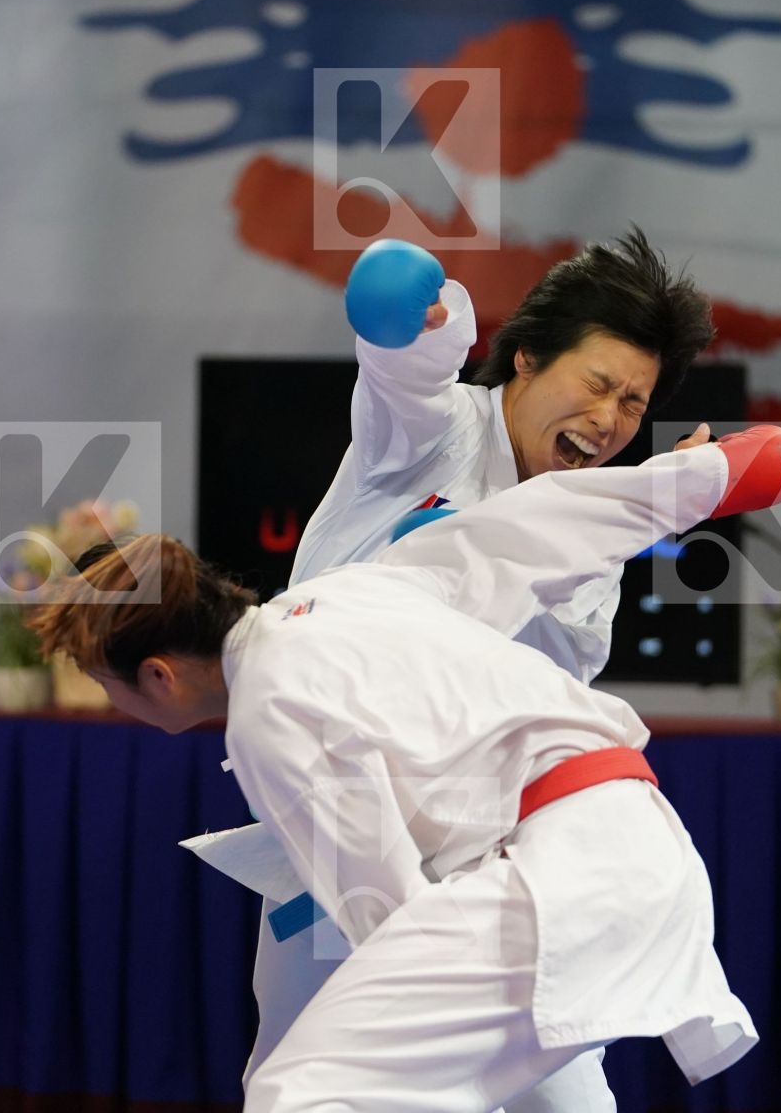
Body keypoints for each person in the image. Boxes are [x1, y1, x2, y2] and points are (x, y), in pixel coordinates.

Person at [30, 422, 781, 1111]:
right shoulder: (352, 591)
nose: (110, 704)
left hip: (555, 873)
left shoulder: (268, 708)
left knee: (306, 1092)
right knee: (523, 1090)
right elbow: (532, 530)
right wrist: (703, 480)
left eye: (104, 683)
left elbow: (391, 914)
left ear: (159, 675)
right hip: (627, 840)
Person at [253, 228, 714, 1110]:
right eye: (598, 384)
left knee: (570, 1103)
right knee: (306, 1087)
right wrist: (412, 329)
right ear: (527, 358)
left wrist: (639, 507)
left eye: (634, 402)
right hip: (341, 838)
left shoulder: (594, 522)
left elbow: (547, 687)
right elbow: (404, 374)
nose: (611, 420)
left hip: (483, 863)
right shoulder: (435, 434)